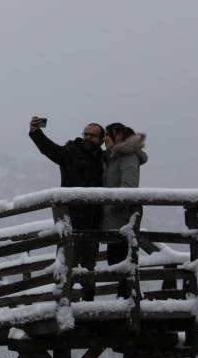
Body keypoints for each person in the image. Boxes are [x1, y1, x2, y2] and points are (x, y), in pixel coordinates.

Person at [28, 117, 105, 301]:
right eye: (85, 134)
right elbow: (50, 149)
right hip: (71, 217)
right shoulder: (71, 152)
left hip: (94, 219)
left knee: (88, 266)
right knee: (67, 263)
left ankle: (88, 303)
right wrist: (36, 133)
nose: (87, 137)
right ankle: (65, 303)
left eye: (92, 135)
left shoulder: (103, 158)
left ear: (101, 140)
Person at [102, 123, 148, 297]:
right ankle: (126, 299)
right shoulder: (114, 157)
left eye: (108, 134)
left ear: (119, 135)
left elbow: (128, 186)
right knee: (116, 262)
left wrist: (110, 206)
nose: (104, 138)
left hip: (123, 218)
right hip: (114, 219)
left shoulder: (128, 156)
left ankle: (129, 301)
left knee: (122, 262)